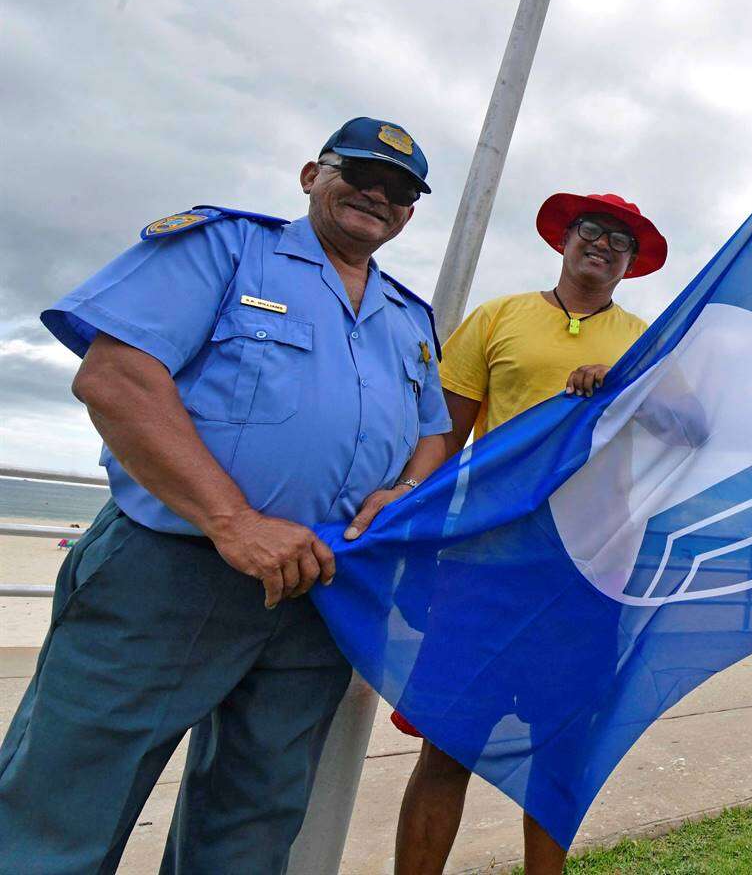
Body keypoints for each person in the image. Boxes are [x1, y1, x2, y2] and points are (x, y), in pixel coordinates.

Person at [0, 117, 450, 874]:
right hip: (172, 571)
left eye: (399, 189)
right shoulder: (224, 249)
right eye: (360, 173)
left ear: (408, 214)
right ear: (312, 174)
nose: (377, 193)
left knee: (254, 821)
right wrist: (232, 520)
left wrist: (403, 490)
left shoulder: (409, 319)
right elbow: (116, 378)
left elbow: (432, 432)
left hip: (321, 593)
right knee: (65, 807)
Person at [378, 192, 665, 875]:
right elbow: (441, 435)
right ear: (565, 239)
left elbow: (687, 431)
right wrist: (410, 520)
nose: (603, 245)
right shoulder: (497, 317)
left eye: (619, 240)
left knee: (560, 751)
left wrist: (623, 389)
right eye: (592, 231)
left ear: (630, 263)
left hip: (586, 576)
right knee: (447, 746)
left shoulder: (647, 343)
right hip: (484, 568)